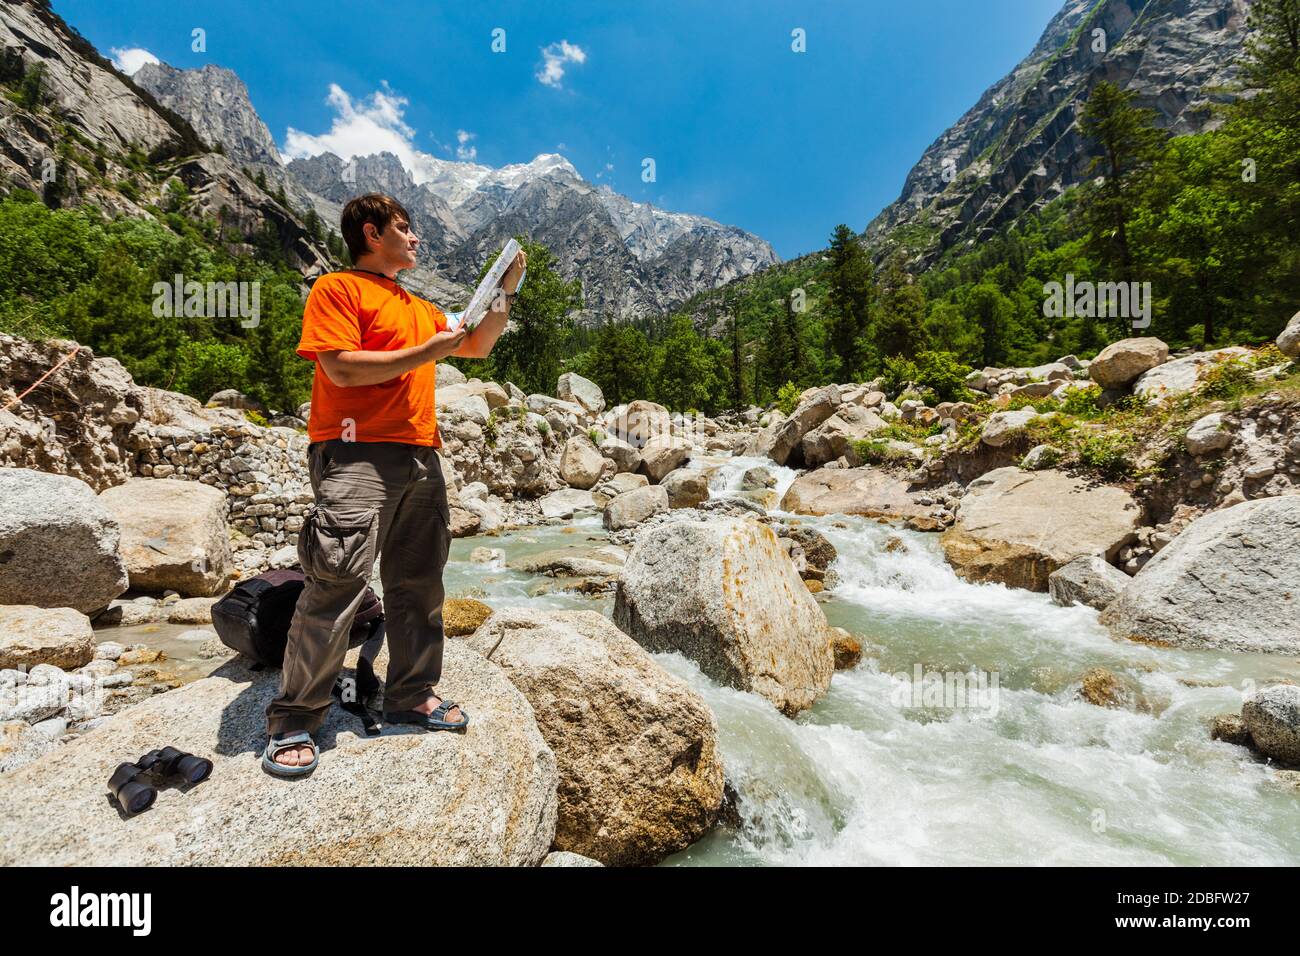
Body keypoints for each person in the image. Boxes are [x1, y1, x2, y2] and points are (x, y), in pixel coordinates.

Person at [262, 193, 524, 776]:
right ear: (373, 233)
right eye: (405, 229)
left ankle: (410, 694)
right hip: (354, 448)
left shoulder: (420, 305)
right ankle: (295, 718)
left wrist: (505, 290)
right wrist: (425, 352)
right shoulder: (337, 289)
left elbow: (477, 345)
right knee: (337, 581)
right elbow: (340, 367)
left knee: (419, 583)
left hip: (421, 455)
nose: (416, 239)